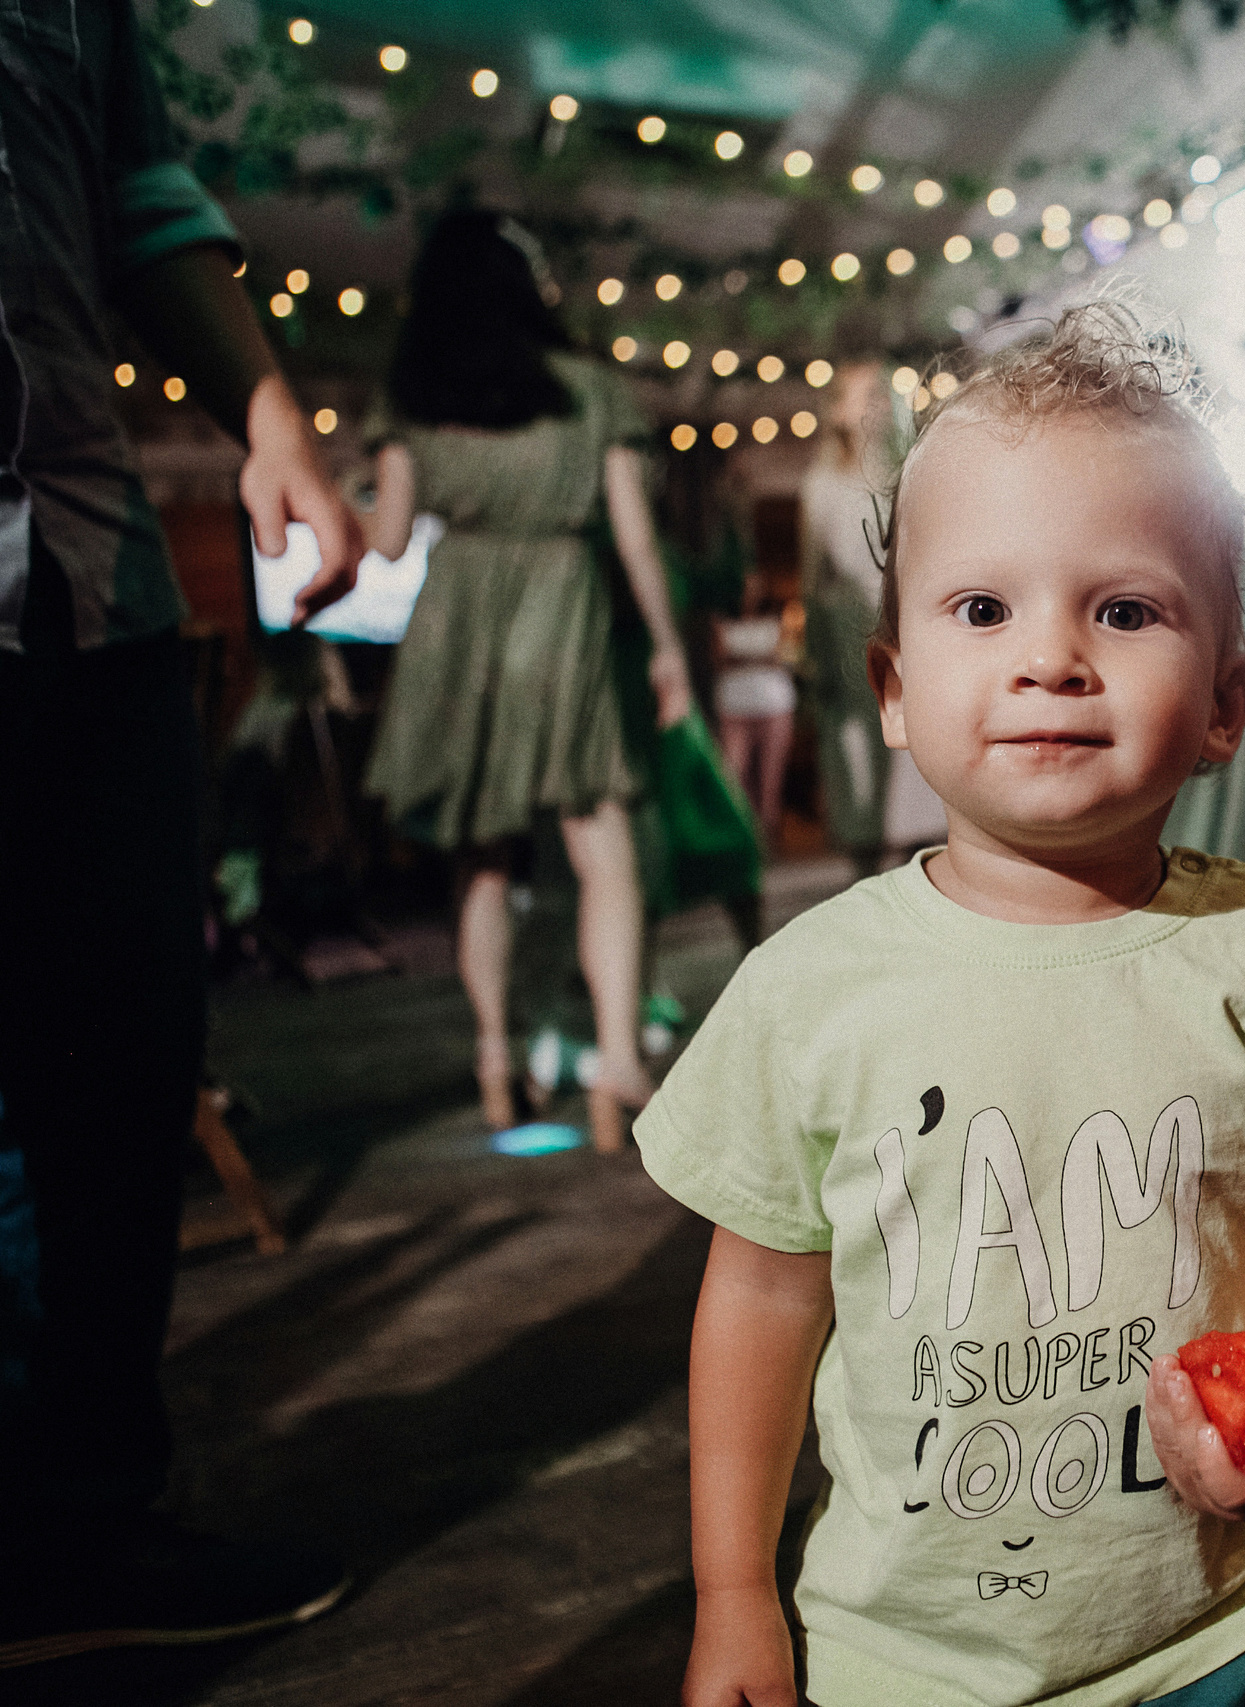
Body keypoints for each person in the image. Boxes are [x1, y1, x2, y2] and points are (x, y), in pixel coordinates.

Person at [636, 303, 1245, 1707]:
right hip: (911, 1659)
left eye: (1124, 610)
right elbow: (759, 1296)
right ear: (891, 688)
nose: (1051, 656)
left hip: (1228, 1625)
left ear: (1229, 698)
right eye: (983, 608)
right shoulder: (811, 991)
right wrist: (735, 1592)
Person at [0, 0, 361, 1666]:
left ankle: (80, 1522)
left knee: (121, 1065)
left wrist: (269, 416)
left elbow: (139, 190)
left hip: (86, 570)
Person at [361, 211, 692, 1150]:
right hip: (564, 610)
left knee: (483, 856)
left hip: (455, 622)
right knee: (604, 841)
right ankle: (617, 1061)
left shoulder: (415, 396)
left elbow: (386, 541)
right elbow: (634, 537)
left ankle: (496, 1059)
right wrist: (666, 646)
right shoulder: (591, 389)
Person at [800, 361, 946, 868]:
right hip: (853, 623)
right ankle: (864, 852)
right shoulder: (823, 483)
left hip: (911, 615)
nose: (874, 407)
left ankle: (916, 854)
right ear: (837, 410)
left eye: (880, 396)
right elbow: (814, 578)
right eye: (861, 397)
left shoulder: (914, 470)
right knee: (862, 745)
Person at [713, 569, 799, 847]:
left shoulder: (780, 619)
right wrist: (762, 658)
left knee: (770, 782)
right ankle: (742, 841)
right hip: (734, 707)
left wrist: (743, 659)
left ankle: (767, 844)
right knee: (735, 779)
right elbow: (720, 661)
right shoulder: (721, 622)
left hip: (774, 704)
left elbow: (787, 656)